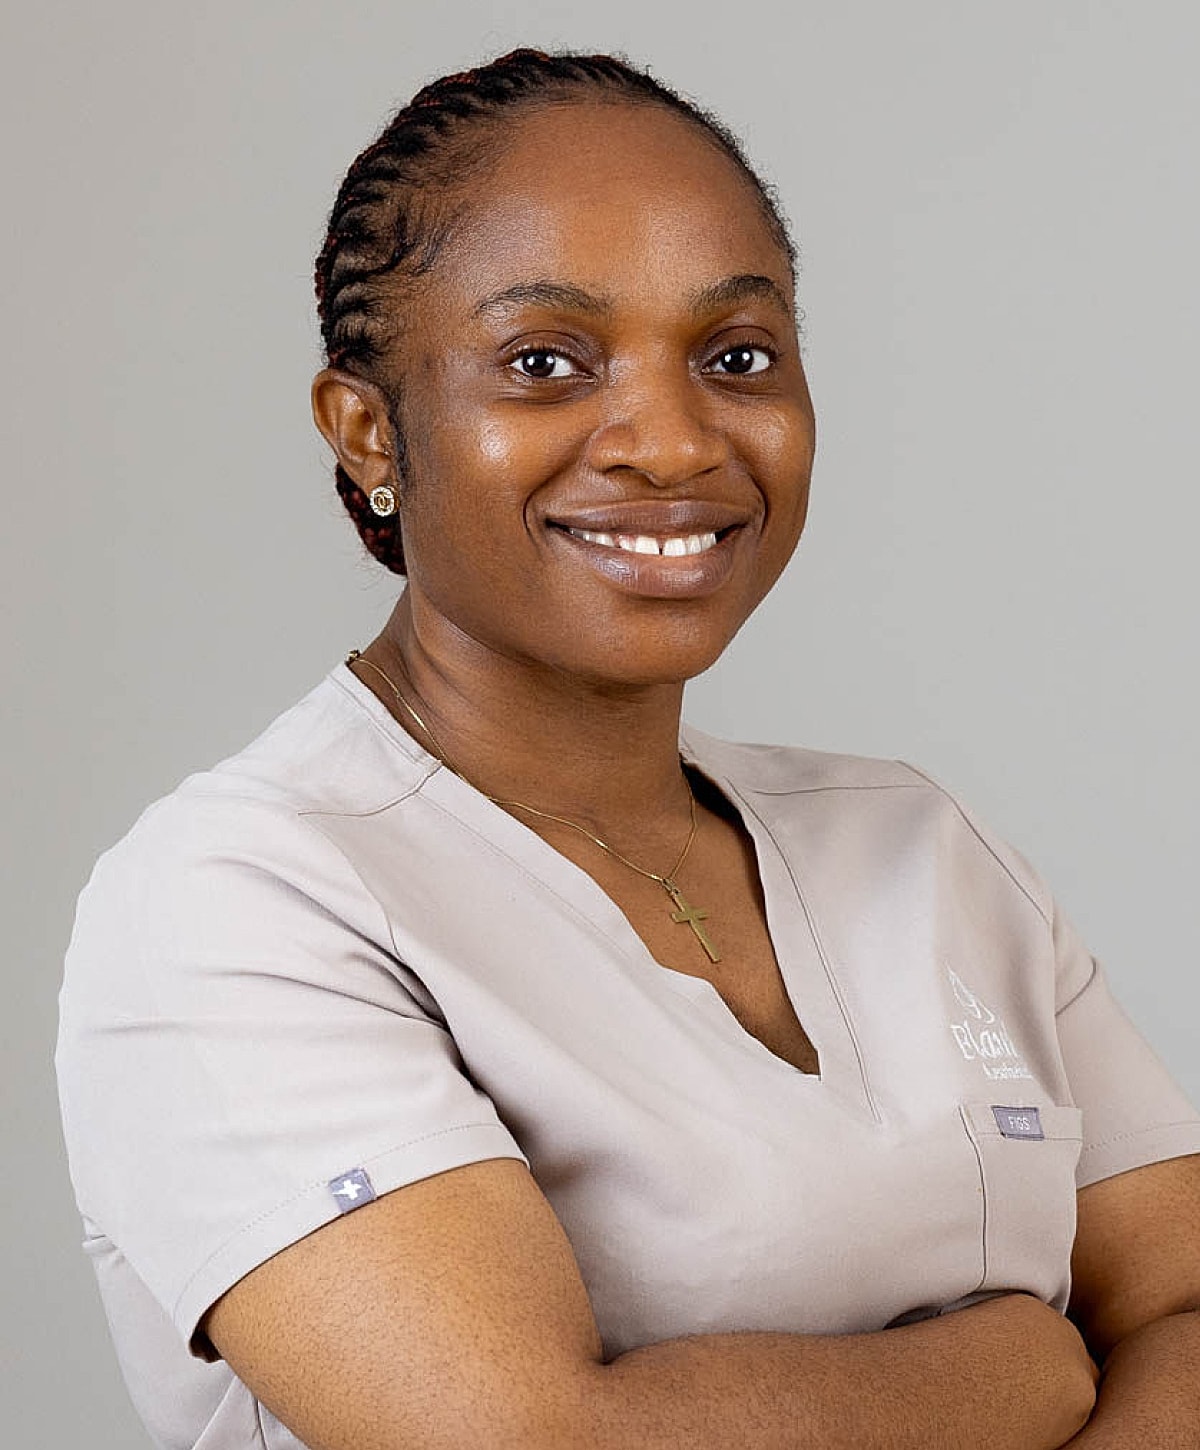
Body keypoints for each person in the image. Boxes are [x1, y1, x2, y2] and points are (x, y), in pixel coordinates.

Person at [57, 48, 1200, 1450]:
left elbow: (1183, 1308)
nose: (671, 441)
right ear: (368, 430)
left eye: (736, 356)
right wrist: (1021, 1368)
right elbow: (528, 1441)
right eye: (545, 361)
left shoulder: (919, 846)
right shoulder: (239, 900)